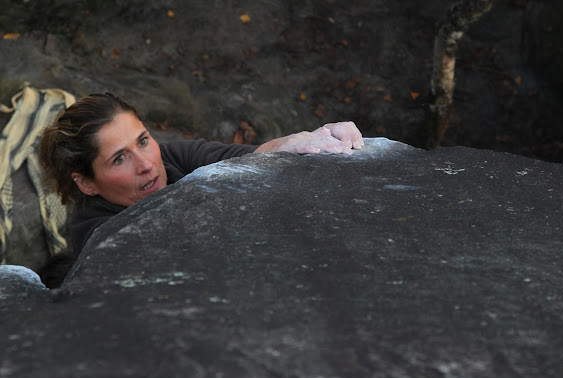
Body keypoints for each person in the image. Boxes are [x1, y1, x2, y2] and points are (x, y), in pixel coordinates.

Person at [38, 92, 364, 259]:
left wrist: (304, 140)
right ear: (86, 182)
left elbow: (244, 158)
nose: (147, 164)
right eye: (119, 158)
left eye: (142, 141)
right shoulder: (100, 234)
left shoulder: (170, 158)